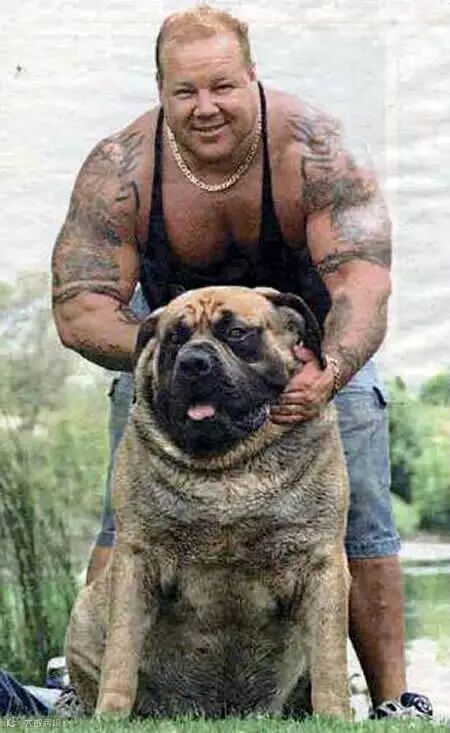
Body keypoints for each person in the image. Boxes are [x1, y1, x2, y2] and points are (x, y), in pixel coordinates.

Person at [51, 5, 432, 720]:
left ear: (253, 77)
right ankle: (91, 689)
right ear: (160, 90)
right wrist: (161, 351)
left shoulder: (316, 150)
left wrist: (332, 367)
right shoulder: (121, 167)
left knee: (361, 473)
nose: (205, 107)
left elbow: (364, 283)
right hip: (169, 341)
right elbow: (79, 305)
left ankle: (392, 702)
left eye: (222, 86)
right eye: (185, 91)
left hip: (304, 343)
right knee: (129, 507)